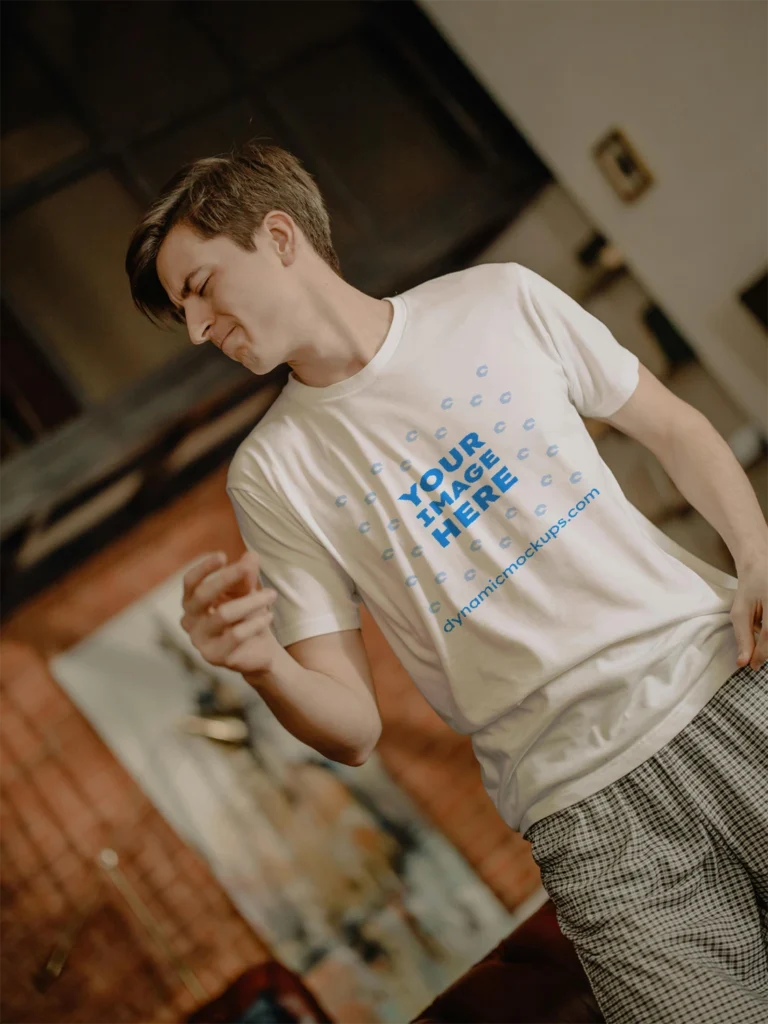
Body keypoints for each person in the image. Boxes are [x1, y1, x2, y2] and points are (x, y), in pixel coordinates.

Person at [126, 141, 768, 1023]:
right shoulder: (271, 473)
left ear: (277, 236)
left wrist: (756, 552)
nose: (198, 331)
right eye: (182, 314)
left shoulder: (498, 298)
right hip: (584, 810)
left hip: (725, 687)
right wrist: (260, 663)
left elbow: (673, 425)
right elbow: (354, 729)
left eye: (198, 289)